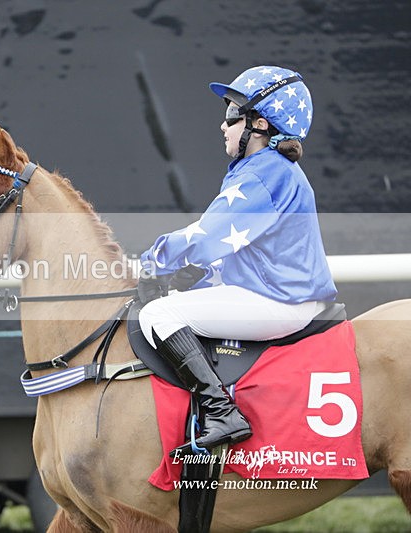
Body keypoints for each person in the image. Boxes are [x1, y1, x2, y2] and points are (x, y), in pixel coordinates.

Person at [138, 65, 337, 455]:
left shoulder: (263, 175)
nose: (223, 125)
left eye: (232, 115)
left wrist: (153, 261)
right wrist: (191, 277)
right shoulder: (267, 170)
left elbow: (206, 236)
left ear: (259, 125)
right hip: (276, 293)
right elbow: (236, 253)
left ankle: (222, 413)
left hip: (279, 301)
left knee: (157, 315)